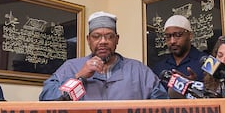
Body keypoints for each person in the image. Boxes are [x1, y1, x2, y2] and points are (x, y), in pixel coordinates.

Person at [39, 11, 168, 100]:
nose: (103, 41)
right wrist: (79, 76)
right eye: (96, 36)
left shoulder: (139, 71)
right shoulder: (70, 67)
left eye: (109, 36)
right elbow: (46, 98)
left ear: (117, 39)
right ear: (88, 39)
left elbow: (163, 105)